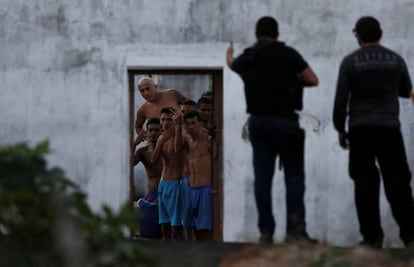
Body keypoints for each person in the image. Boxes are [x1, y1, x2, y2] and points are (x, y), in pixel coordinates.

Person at [226, 16, 319, 244]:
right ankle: (296, 232)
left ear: (257, 35)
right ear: (277, 34)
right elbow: (312, 79)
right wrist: (294, 81)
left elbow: (231, 64)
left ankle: (266, 231)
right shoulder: (288, 54)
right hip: (286, 123)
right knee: (294, 178)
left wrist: (230, 51)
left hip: (259, 123)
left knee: (262, 179)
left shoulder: (249, 56)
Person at [333, 16, 414, 248]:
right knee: (398, 183)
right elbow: (406, 90)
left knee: (365, 184)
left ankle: (372, 238)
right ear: (380, 33)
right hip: (389, 129)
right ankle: (410, 235)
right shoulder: (396, 60)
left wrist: (340, 129)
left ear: (358, 36)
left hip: (360, 131)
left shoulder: (349, 62)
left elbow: (340, 100)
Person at [151, 107, 188, 240]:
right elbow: (154, 161)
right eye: (163, 120)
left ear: (174, 121)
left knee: (177, 226)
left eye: (169, 120)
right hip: (163, 184)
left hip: (176, 184)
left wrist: (178, 126)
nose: (166, 123)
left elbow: (177, 149)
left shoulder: (182, 135)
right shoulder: (162, 138)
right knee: (164, 226)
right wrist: (160, 143)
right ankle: (167, 253)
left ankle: (186, 254)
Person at [183, 110, 213, 240]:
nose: (191, 126)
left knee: (205, 229)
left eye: (194, 123)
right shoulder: (187, 142)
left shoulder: (208, 141)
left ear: (200, 123)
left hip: (205, 188)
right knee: (192, 228)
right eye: (188, 123)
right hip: (190, 188)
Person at [134, 77, 189, 146]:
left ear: (155, 87)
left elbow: (189, 104)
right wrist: (147, 136)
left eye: (148, 89)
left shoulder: (171, 94)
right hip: (162, 146)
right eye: (142, 91)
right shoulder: (143, 110)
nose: (146, 93)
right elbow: (138, 127)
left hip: (183, 139)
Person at [133, 118, 163, 239]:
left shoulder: (169, 149)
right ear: (146, 132)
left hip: (167, 195)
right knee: (149, 234)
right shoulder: (143, 151)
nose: (153, 133)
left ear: (162, 131)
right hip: (151, 196)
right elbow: (130, 163)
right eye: (150, 130)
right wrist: (134, 144)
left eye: (156, 130)